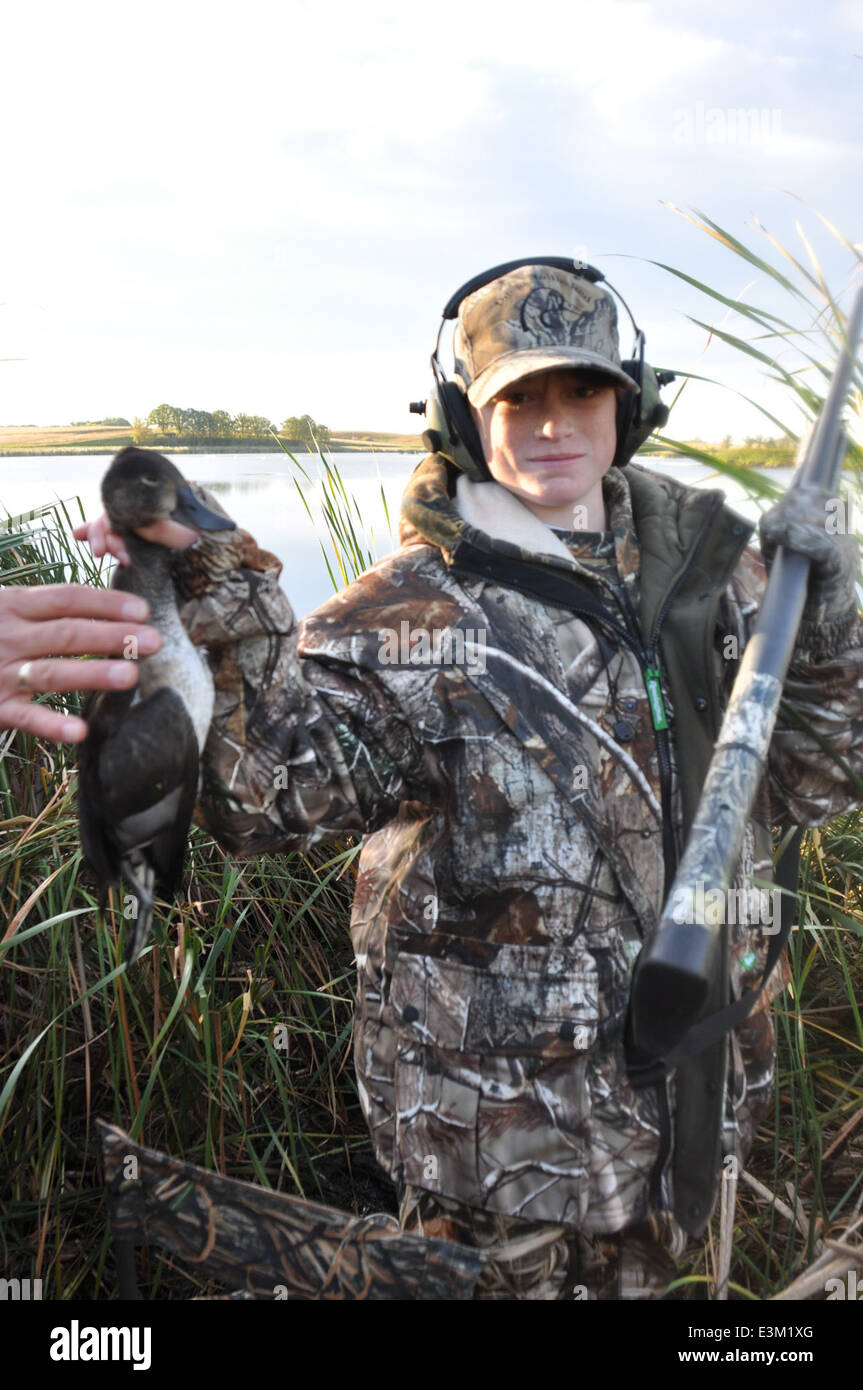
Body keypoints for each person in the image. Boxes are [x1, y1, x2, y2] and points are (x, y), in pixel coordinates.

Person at [7, 261, 862, 1299]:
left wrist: (822, 613)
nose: (552, 424)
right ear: (464, 413)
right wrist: (209, 588)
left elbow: (819, 773)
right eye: (518, 397)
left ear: (626, 403)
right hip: (503, 1156)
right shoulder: (407, 615)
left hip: (696, 1108)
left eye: (580, 392)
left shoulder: (715, 575)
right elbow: (269, 792)